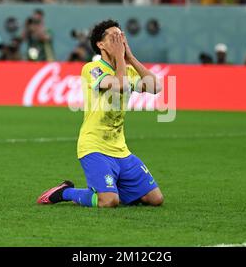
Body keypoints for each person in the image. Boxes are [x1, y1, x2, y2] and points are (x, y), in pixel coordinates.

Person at [37, 20, 164, 208]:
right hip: (94, 147)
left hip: (120, 149)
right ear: (100, 44)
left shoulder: (127, 69)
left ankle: (115, 187)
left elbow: (156, 87)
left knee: (155, 199)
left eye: (121, 36)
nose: (119, 40)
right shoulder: (92, 69)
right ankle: (65, 192)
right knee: (109, 201)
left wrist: (130, 56)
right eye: (114, 37)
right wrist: (121, 57)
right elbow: (119, 85)